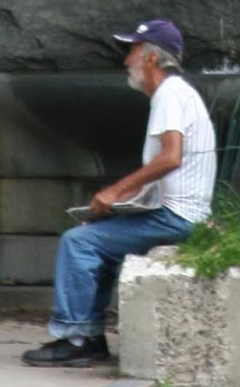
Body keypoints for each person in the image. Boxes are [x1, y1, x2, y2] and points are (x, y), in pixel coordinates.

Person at [23, 18, 218, 368]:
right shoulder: (178, 93)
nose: (127, 61)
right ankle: (89, 336)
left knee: (78, 242)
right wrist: (125, 203)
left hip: (177, 218)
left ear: (152, 59)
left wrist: (115, 191)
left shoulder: (169, 95)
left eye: (132, 52)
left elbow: (170, 157)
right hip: (182, 213)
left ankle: (77, 337)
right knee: (97, 240)